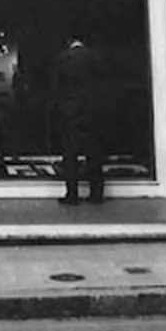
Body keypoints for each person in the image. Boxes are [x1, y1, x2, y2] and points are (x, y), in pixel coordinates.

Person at [50, 35, 108, 205]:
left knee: (70, 154)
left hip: (70, 111)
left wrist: (59, 107)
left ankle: (72, 195)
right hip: (92, 110)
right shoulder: (95, 57)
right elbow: (104, 83)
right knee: (94, 153)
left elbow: (56, 86)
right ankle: (96, 194)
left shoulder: (63, 59)